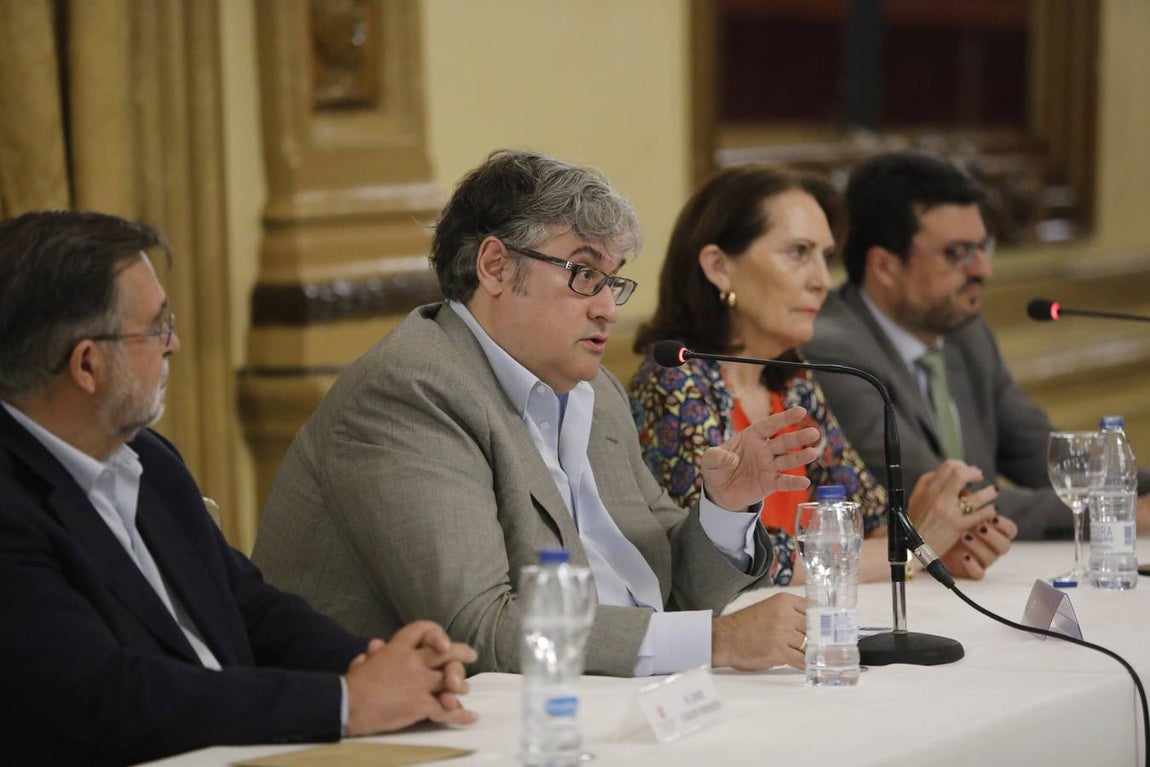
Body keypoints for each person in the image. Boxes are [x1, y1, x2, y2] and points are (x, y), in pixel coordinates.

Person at [253, 149, 826, 679]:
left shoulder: (594, 391)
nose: (608, 310)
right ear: (496, 267)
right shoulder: (411, 392)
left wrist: (725, 507)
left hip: (593, 698)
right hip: (398, 728)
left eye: (612, 281)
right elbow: (478, 628)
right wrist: (715, 642)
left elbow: (664, 584)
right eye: (584, 275)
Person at [0, 211, 477, 766]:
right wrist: (347, 702)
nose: (174, 343)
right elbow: (108, 698)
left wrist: (376, 664)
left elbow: (248, 605)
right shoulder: (10, 507)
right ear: (87, 365)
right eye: (156, 327)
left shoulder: (149, 459)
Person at [628, 165, 1015, 582]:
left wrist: (936, 544)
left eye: (824, 257)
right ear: (719, 266)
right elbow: (725, 560)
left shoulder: (791, 379)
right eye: (798, 252)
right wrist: (915, 550)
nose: (823, 282)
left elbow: (867, 517)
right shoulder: (674, 382)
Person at [802, 151, 1150, 540]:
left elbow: (1045, 457)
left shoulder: (966, 334)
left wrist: (1140, 488)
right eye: (958, 253)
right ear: (885, 266)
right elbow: (943, 499)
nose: (984, 269)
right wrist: (1114, 511)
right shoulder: (834, 352)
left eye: (984, 247)